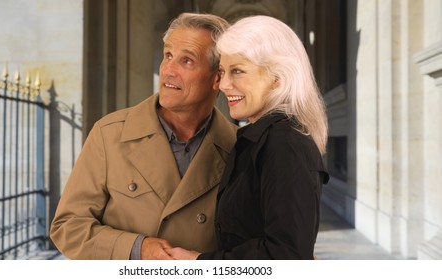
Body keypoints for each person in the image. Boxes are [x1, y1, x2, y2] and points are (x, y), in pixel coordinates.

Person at [50, 13, 237, 260]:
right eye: (168, 55)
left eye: (187, 61)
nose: (168, 70)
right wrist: (137, 249)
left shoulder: (238, 146)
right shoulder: (109, 134)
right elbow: (67, 227)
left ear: (217, 78)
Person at [166, 15, 329, 260]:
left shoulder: (285, 144)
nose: (224, 84)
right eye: (223, 71)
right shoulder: (264, 139)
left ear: (278, 78)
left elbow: (287, 256)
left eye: (238, 71)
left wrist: (199, 263)